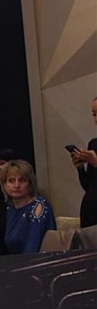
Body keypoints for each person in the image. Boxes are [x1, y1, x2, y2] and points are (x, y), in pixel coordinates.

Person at [1, 160, 56, 254]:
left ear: (30, 184)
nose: (17, 185)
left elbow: (33, 247)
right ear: (4, 185)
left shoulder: (39, 206)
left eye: (22, 180)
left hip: (36, 260)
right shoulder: (10, 208)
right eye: (11, 181)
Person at [69, 97, 97, 227]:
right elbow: (89, 186)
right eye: (94, 114)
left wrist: (96, 162)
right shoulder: (94, 144)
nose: (96, 119)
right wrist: (80, 168)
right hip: (90, 215)